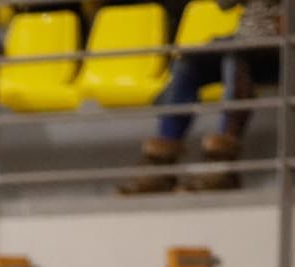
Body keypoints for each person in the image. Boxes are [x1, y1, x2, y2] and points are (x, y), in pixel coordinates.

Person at [120, 0, 284, 194]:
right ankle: (160, 163)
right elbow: (224, 5)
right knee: (189, 62)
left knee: (236, 57)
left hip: (281, 46)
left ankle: (221, 161)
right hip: (246, 41)